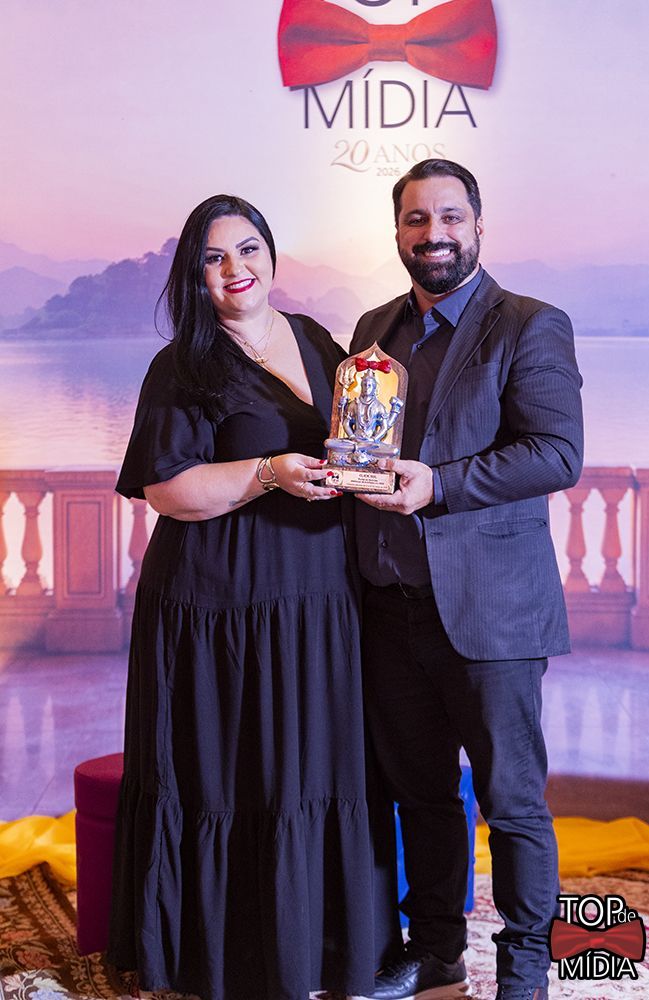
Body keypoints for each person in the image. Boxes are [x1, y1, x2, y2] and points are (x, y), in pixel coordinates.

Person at [107, 194, 402, 1000]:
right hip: (219, 604)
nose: (234, 268)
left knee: (316, 767)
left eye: (247, 249)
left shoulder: (315, 340)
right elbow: (167, 492)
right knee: (231, 776)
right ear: (194, 275)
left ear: (271, 254)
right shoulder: (183, 365)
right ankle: (226, 958)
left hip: (320, 597)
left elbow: (355, 443)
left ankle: (329, 950)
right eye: (213, 257)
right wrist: (269, 472)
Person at [349, 160, 584, 1000]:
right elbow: (359, 446)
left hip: (493, 613)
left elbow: (556, 453)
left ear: (478, 226)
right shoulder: (373, 328)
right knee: (419, 796)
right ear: (397, 232)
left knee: (510, 803)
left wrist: (439, 485)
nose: (433, 234)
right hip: (388, 607)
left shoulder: (529, 323)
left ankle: (523, 976)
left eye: (449, 216)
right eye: (416, 219)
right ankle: (436, 952)